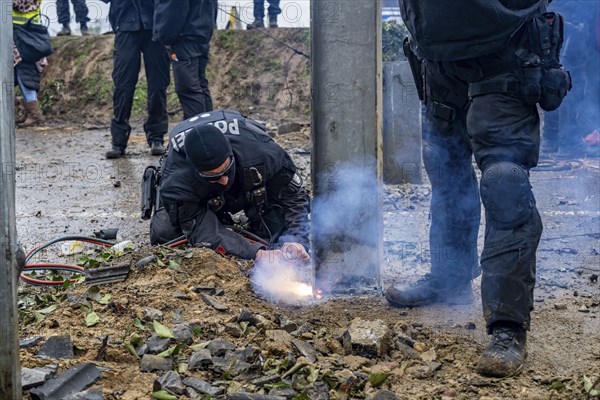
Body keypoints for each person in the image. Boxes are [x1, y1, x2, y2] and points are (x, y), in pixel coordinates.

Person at [385, 0, 571, 378]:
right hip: (436, 60)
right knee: (445, 167)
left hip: (504, 53)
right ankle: (450, 277)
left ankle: (507, 326)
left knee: (504, 183)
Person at [150, 109, 310, 262]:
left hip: (245, 177)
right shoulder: (176, 181)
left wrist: (297, 240)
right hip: (200, 197)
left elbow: (293, 199)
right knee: (165, 232)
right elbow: (200, 230)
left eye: (226, 170)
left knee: (278, 226)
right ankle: (221, 223)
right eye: (214, 177)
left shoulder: (263, 152)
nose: (224, 181)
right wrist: (257, 254)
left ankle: (255, 224)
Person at [102, 0, 171, 159]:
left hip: (155, 26)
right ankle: (118, 142)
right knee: (123, 85)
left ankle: (156, 138)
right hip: (125, 25)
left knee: (158, 85)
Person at [153, 0, 217, 120]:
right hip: (200, 32)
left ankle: (197, 132)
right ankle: (208, 129)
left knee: (189, 89)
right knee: (200, 85)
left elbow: (173, 8)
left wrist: (165, 37)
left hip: (184, 36)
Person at [13, 0, 48, 127]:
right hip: (29, 34)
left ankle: (34, 113)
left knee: (25, 74)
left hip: (21, 36)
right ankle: (30, 111)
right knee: (22, 74)